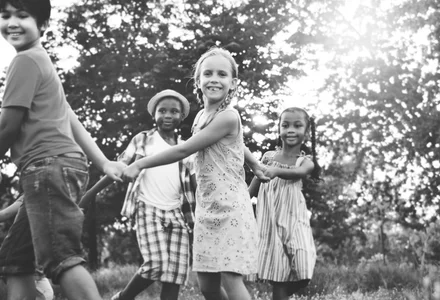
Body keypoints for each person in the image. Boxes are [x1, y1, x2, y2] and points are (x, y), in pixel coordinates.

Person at [0, 0, 125, 299]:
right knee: (16, 260)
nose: (12, 22)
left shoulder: (26, 61)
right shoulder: (41, 62)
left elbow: (8, 126)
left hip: (47, 167)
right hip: (54, 166)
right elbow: (71, 118)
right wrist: (104, 162)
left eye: (22, 15)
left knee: (59, 255)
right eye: (5, 16)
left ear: (43, 25)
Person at [122, 47, 268, 300]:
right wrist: (254, 163)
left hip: (231, 208)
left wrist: (141, 164)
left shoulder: (229, 117)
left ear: (233, 83)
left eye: (222, 74)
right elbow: (235, 144)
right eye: (207, 73)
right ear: (198, 81)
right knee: (208, 287)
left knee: (231, 279)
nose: (214, 79)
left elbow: (185, 149)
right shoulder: (201, 116)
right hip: (206, 208)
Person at [79, 89, 196, 300]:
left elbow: (193, 185)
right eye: (162, 111)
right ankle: (123, 298)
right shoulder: (142, 140)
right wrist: (89, 195)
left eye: (174, 111)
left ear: (182, 117)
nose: (168, 115)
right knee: (157, 263)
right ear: (154, 115)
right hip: (148, 208)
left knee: (175, 275)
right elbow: (118, 167)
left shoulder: (184, 148)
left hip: (177, 213)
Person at [248, 107, 320, 300]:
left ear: (306, 132)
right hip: (270, 224)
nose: (290, 130)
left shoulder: (305, 161)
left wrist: (277, 172)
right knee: (279, 276)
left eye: (297, 126)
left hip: (294, 222)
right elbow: (253, 188)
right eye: (285, 125)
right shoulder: (268, 157)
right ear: (279, 128)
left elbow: (299, 174)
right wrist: (243, 203)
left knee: (304, 269)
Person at [0, 196, 54, 300]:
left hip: (35, 261)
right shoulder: (31, 192)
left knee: (46, 295)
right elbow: (5, 214)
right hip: (18, 255)